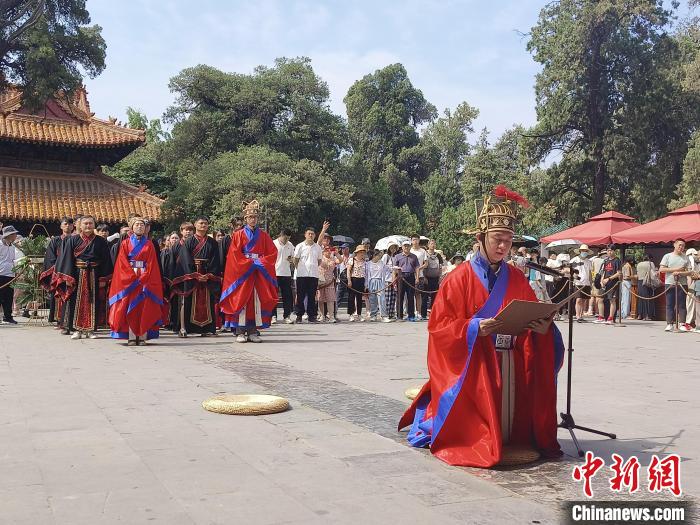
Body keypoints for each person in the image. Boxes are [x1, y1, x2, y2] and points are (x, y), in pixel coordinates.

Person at [399, 185, 564, 468]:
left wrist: (543, 327)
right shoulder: (457, 279)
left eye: (508, 241)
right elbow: (439, 328)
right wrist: (474, 328)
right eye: (497, 239)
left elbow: (531, 311)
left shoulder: (517, 277)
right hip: (476, 360)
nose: (503, 247)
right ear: (480, 238)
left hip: (511, 357)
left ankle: (511, 435)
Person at [219, 200, 278, 343]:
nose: (253, 219)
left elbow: (272, 252)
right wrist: (248, 263)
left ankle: (252, 331)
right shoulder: (238, 235)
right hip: (243, 272)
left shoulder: (263, 235)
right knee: (241, 300)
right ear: (245, 219)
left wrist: (259, 262)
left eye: (255, 217)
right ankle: (240, 331)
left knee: (256, 300)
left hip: (258, 272)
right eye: (250, 217)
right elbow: (234, 254)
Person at [53, 216, 113, 338]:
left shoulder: (101, 241)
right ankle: (76, 329)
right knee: (75, 301)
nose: (88, 226)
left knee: (93, 301)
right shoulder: (72, 240)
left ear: (94, 225)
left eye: (91, 223)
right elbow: (66, 259)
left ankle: (90, 330)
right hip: (77, 274)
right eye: (85, 223)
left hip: (94, 274)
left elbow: (106, 261)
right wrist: (68, 278)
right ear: (80, 225)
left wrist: (103, 279)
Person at [108, 216, 164, 345]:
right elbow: (122, 262)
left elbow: (152, 263)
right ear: (132, 228)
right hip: (130, 278)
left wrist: (144, 276)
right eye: (137, 224)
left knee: (143, 306)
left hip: (145, 276)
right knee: (129, 305)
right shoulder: (125, 243)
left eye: (142, 225)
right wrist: (132, 277)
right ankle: (131, 336)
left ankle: (143, 336)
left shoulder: (149, 244)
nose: (140, 226)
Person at [168, 216, 221, 337]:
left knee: (208, 300)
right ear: (195, 225)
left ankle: (208, 329)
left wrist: (209, 274)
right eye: (201, 223)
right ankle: (185, 328)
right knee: (187, 301)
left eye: (206, 223)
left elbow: (215, 260)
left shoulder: (212, 242)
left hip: (207, 273)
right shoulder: (188, 242)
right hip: (191, 274)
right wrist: (194, 274)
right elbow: (185, 259)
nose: (203, 225)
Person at [39, 217, 74, 327]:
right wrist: (58, 269)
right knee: (59, 295)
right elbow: (50, 256)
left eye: (70, 224)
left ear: (73, 226)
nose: (68, 226)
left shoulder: (76, 239)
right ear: (61, 226)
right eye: (65, 224)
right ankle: (59, 319)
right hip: (58, 272)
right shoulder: (56, 240)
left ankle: (70, 320)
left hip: (72, 271)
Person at [293, 222, 328, 323]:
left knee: (312, 296)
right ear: (305, 234)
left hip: (313, 275)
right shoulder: (300, 246)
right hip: (301, 274)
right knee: (300, 296)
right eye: (309, 233)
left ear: (314, 235)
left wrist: (312, 266)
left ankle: (312, 316)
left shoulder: (317, 247)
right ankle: (299, 315)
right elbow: (295, 260)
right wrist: (300, 268)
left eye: (312, 234)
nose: (311, 235)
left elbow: (319, 261)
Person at [659, 239, 693, 332]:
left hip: (683, 284)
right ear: (674, 245)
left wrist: (680, 273)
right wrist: (675, 269)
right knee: (670, 304)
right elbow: (661, 269)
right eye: (680, 245)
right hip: (670, 283)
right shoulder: (667, 256)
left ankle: (682, 323)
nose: (681, 247)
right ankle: (670, 323)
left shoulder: (686, 258)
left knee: (682, 304)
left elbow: (690, 271)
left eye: (683, 246)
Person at [0, 225, 25, 325]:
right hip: (0, 274)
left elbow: (13, 260)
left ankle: (7, 316)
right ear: (9, 235)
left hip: (10, 274)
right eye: (14, 234)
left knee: (8, 297)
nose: (16, 236)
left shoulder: (12, 246)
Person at [593, 245, 621, 325]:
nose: (609, 252)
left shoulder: (617, 260)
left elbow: (619, 273)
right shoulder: (605, 261)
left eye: (611, 250)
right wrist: (601, 280)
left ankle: (611, 318)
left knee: (612, 300)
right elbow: (603, 271)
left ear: (614, 251)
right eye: (608, 250)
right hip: (604, 283)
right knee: (600, 299)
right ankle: (601, 317)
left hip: (613, 283)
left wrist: (609, 279)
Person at [273, 229, 295, 324]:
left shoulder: (290, 245)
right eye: (285, 238)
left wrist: (291, 260)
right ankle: (273, 316)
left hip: (286, 273)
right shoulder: (273, 243)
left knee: (287, 296)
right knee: (273, 296)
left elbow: (293, 258)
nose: (286, 240)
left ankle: (287, 315)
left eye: (288, 238)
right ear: (281, 235)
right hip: (274, 273)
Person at [394, 240, 420, 321]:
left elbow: (417, 267)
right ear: (402, 247)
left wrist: (417, 277)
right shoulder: (397, 256)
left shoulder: (414, 256)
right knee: (400, 296)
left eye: (408, 246)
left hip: (411, 276)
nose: (406, 247)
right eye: (405, 246)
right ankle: (399, 316)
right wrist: (394, 279)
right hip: (400, 277)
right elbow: (394, 268)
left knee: (410, 296)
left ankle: (411, 316)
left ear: (410, 247)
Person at [365, 249, 392, 322]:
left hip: (380, 281)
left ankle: (384, 316)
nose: (379, 257)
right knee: (372, 299)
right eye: (378, 255)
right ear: (374, 255)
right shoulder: (368, 264)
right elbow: (366, 275)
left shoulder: (382, 263)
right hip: (371, 281)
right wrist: (366, 285)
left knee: (382, 299)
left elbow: (389, 270)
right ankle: (373, 315)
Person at [570, 244, 593, 322]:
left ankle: (581, 314)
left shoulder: (589, 261)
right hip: (578, 282)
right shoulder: (574, 260)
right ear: (580, 251)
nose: (584, 252)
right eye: (583, 250)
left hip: (586, 283)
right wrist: (574, 277)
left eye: (586, 251)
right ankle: (577, 315)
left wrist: (591, 283)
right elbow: (570, 271)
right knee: (578, 299)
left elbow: (590, 273)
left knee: (584, 300)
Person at [318, 243, 340, 322]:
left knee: (330, 300)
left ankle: (331, 316)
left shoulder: (333, 259)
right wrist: (321, 250)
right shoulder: (320, 258)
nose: (328, 251)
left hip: (330, 281)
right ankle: (322, 315)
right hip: (321, 282)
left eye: (329, 250)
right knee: (320, 299)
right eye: (326, 250)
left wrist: (336, 253)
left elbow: (340, 260)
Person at [423, 239, 444, 319]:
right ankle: (424, 314)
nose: (433, 245)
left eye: (434, 244)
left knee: (435, 296)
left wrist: (440, 277)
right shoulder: (425, 254)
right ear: (428, 245)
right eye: (431, 244)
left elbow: (441, 267)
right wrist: (424, 277)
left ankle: (434, 313)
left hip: (435, 278)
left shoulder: (438, 255)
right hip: (427, 278)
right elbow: (423, 265)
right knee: (425, 296)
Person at [346, 245, 367, 321]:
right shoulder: (352, 260)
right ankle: (351, 314)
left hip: (361, 280)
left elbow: (366, 273)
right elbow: (348, 270)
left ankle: (359, 314)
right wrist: (349, 280)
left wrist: (365, 284)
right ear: (357, 253)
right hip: (353, 279)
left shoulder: (365, 261)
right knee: (351, 297)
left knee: (359, 298)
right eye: (360, 252)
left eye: (363, 252)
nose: (362, 254)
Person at [410, 235, 428, 320]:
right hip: (410, 275)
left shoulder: (422, 251)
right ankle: (411, 312)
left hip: (420, 275)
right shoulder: (409, 250)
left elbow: (426, 263)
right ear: (411, 241)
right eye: (413, 240)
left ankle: (419, 312)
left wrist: (418, 268)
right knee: (410, 295)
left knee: (418, 294)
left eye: (417, 239)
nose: (415, 241)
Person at [635, 254, 657, 321]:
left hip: (639, 282)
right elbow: (654, 273)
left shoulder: (639, 264)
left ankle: (639, 314)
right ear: (649, 258)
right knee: (647, 298)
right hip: (647, 282)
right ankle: (647, 315)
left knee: (640, 298)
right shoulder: (651, 263)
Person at [380, 242, 399, 319]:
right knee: (387, 297)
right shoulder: (386, 256)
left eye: (394, 248)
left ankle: (391, 313)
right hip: (387, 279)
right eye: (391, 248)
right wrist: (391, 269)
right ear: (388, 248)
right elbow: (382, 267)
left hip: (394, 279)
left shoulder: (396, 257)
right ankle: (386, 314)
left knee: (393, 297)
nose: (393, 249)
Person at [335, 244, 351, 318]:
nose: (344, 250)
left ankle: (352, 313)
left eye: (345, 248)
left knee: (351, 296)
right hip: (341, 279)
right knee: (338, 296)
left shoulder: (351, 256)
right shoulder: (339, 257)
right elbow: (335, 266)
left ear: (348, 249)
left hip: (351, 278)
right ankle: (334, 312)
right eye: (342, 249)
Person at [686, 248, 698, 327]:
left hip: (691, 285)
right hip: (692, 285)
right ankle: (689, 322)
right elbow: (690, 275)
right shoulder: (691, 260)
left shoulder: (688, 259)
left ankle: (690, 321)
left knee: (690, 304)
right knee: (691, 304)